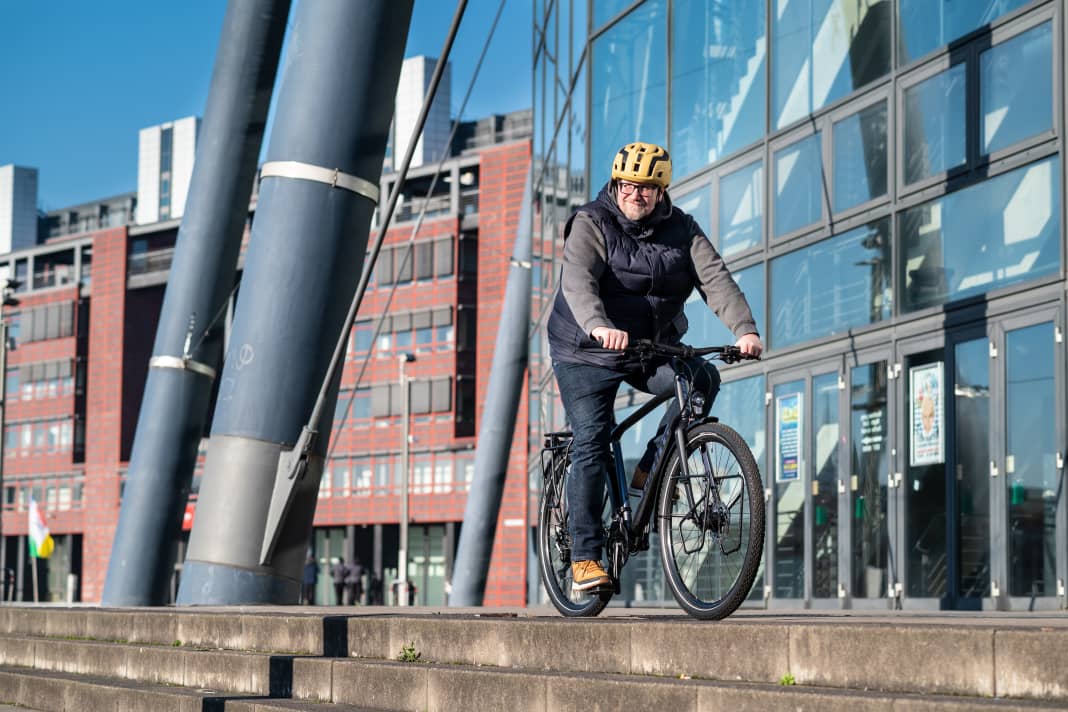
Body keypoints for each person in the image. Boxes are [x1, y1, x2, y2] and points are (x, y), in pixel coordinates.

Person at [547, 141, 763, 594]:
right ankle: (586, 557)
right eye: (627, 185)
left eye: (646, 187)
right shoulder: (591, 222)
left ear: (662, 191)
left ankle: (654, 465)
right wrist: (598, 325)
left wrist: (744, 328)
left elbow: (715, 279)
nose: (635, 194)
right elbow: (578, 282)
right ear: (616, 183)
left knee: (700, 379)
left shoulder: (683, 230)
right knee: (594, 437)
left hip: (647, 347)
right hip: (585, 349)